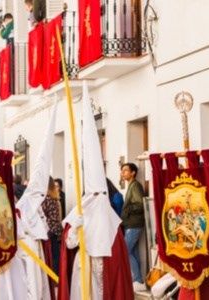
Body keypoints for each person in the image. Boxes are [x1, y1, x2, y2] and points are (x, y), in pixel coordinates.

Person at [58, 83, 133, 300]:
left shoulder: (112, 224)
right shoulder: (79, 214)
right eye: (95, 196)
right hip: (83, 272)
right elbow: (70, 244)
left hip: (103, 274)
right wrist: (75, 228)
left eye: (102, 196)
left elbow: (119, 263)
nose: (99, 200)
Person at [120, 162, 146, 291]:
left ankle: (137, 279)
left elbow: (140, 204)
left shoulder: (135, 186)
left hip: (134, 224)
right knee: (133, 252)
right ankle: (139, 281)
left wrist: (127, 209)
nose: (123, 173)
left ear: (133, 172)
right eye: (122, 171)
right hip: (131, 223)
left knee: (126, 250)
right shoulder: (131, 186)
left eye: (125, 170)